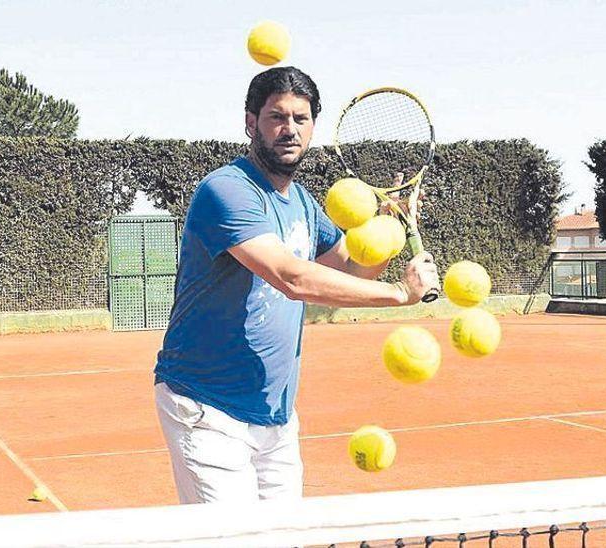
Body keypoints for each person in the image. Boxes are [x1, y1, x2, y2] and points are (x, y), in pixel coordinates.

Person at [153, 66, 439, 504]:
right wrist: (401, 295)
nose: (289, 129)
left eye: (300, 119)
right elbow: (293, 277)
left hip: (275, 414)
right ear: (251, 123)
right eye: (277, 117)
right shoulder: (227, 190)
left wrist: (389, 227)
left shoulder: (303, 202)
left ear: (312, 127)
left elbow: (349, 271)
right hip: (206, 407)